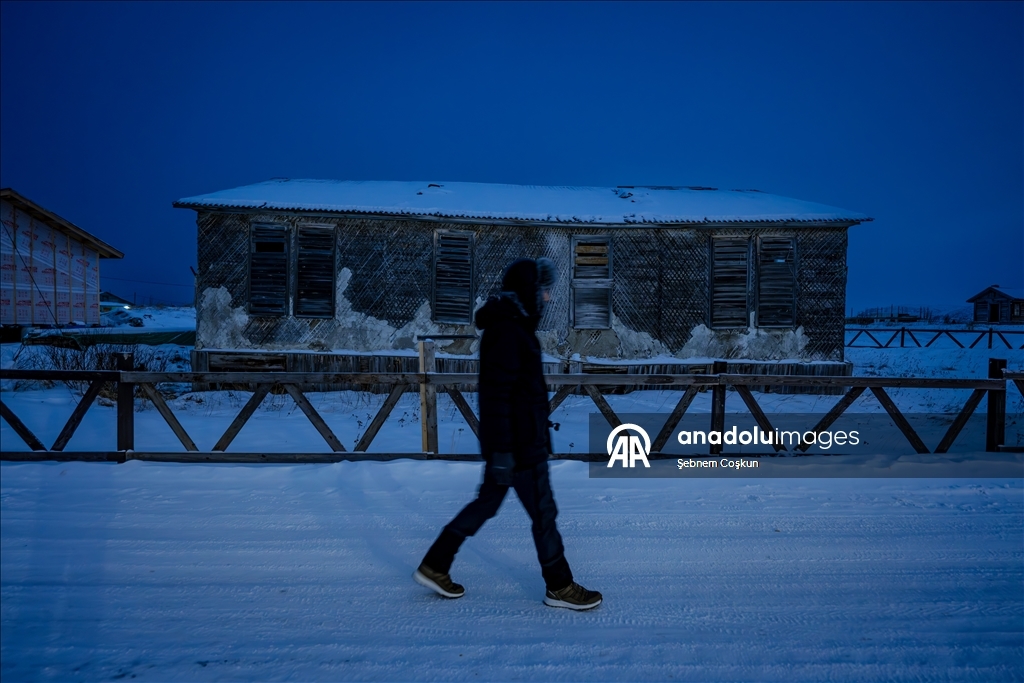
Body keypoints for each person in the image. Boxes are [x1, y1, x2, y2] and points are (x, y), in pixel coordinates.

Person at [413, 257, 602, 610]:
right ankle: (560, 586)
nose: (547, 299)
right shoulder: (508, 331)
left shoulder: (514, 326)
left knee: (487, 505)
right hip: (519, 447)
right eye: (543, 291)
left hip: (517, 443)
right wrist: (502, 451)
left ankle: (435, 564)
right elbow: (496, 397)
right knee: (543, 515)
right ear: (526, 291)